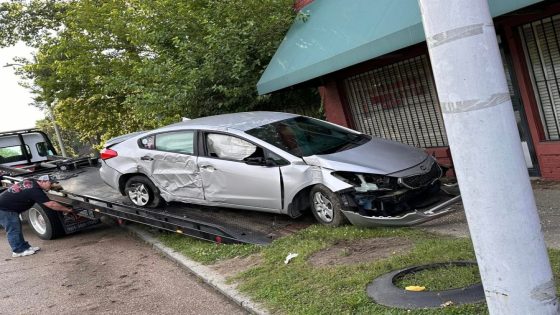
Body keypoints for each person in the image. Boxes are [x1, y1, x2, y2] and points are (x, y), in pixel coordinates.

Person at [0, 174, 73, 257]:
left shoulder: (32, 181)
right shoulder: (35, 191)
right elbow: (51, 204)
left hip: (6, 207)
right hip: (4, 209)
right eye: (51, 183)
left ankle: (24, 247)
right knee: (13, 229)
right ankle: (18, 251)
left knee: (16, 227)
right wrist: (67, 210)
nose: (52, 185)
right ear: (42, 181)